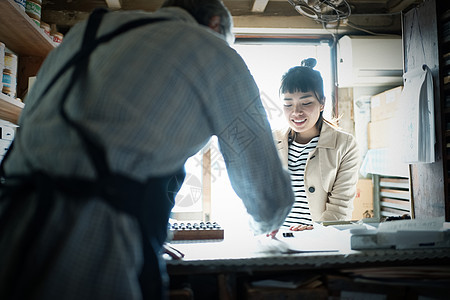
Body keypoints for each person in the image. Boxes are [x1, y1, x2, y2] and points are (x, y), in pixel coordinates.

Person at [0, 1, 295, 299]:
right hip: (93, 242)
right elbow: (266, 193)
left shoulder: (87, 31)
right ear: (216, 25)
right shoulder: (215, 52)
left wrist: (132, 213)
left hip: (12, 223)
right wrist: (265, 227)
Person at [273, 58, 360, 232]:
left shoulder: (345, 144)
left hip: (321, 240)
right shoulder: (272, 141)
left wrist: (316, 232)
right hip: (278, 237)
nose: (296, 112)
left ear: (322, 103)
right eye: (288, 104)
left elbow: (340, 207)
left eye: (306, 103)